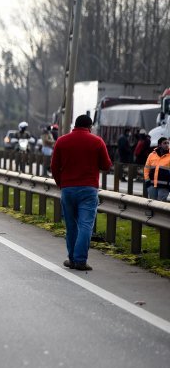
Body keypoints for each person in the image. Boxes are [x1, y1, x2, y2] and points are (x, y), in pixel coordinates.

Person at [50, 114, 112, 271]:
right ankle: (80, 260)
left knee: (71, 225)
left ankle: (72, 258)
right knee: (86, 225)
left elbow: (54, 166)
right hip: (88, 189)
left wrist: (62, 184)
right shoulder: (97, 141)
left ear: (74, 126)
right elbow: (106, 165)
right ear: (90, 127)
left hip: (68, 190)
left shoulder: (62, 141)